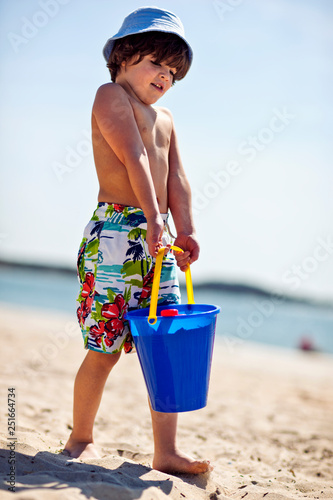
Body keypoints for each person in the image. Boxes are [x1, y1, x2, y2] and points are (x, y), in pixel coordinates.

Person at [64, 6, 209, 474]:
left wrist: (183, 228)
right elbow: (132, 159)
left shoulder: (165, 119)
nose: (164, 76)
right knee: (104, 347)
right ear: (124, 56)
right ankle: (80, 437)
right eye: (155, 63)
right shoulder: (111, 96)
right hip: (119, 231)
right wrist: (151, 217)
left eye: (172, 71)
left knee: (163, 347)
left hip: (159, 236)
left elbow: (178, 181)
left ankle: (165, 452)